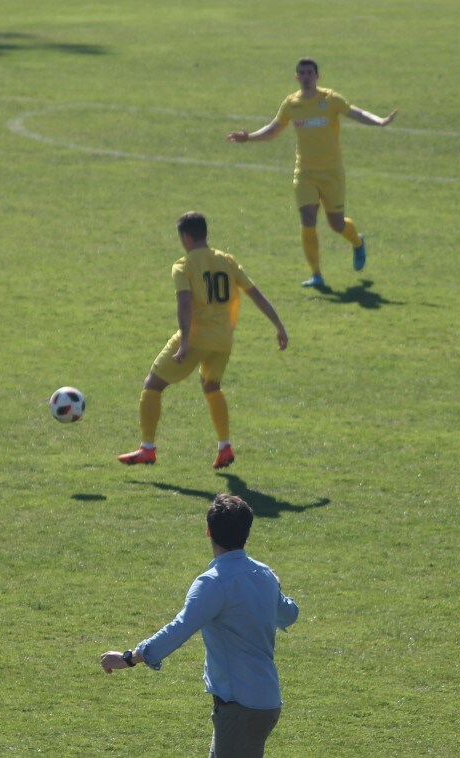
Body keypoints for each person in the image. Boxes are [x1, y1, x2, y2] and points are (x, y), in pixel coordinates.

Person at [100, 493, 299, 758]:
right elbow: (289, 615)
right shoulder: (263, 574)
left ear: (208, 532)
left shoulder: (213, 582)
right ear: (247, 533)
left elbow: (179, 628)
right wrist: (276, 587)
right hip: (265, 702)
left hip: (239, 707)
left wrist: (129, 658)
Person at [118, 212, 288, 469]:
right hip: (223, 340)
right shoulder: (227, 261)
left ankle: (147, 448)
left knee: (152, 384)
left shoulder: (183, 266)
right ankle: (224, 446)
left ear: (185, 237)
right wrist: (279, 325)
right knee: (211, 387)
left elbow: (185, 304)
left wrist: (185, 341)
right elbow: (255, 294)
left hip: (196, 338)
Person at [227, 57, 397, 289]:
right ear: (297, 77)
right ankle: (316, 275)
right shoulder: (292, 104)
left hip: (332, 173)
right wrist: (250, 138)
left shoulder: (330, 99)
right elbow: (275, 128)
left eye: (310, 73)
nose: (306, 77)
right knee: (308, 220)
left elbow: (354, 112)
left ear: (318, 76)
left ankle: (357, 242)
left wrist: (379, 121)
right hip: (305, 173)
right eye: (302, 73)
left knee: (336, 224)